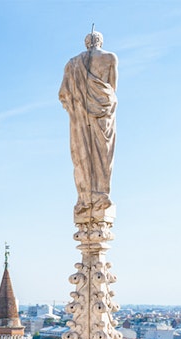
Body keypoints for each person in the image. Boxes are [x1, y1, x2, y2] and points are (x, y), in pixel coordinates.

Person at [59, 30, 118, 220]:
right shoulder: (110, 58)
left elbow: (63, 95)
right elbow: (112, 88)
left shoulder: (72, 64)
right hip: (102, 119)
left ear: (86, 43)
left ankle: (86, 196)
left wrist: (80, 106)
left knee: (83, 155)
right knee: (103, 156)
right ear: (100, 41)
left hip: (81, 120)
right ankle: (100, 195)